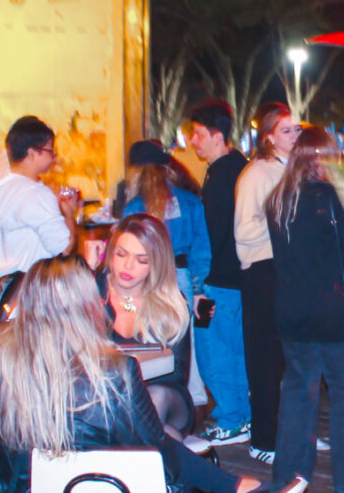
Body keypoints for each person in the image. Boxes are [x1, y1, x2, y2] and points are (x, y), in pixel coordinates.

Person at [0, 255, 303, 493]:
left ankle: (240, 488)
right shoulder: (115, 371)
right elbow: (156, 451)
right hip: (104, 484)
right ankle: (241, 488)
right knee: (163, 443)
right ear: (88, 304)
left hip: (26, 485)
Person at [266, 127, 344, 492]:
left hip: (291, 310)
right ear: (319, 158)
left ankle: (288, 478)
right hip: (330, 312)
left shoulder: (278, 198)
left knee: (298, 396)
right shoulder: (325, 195)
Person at [123, 140, 212, 421]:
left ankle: (155, 397)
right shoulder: (190, 201)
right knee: (189, 338)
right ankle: (196, 400)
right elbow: (202, 249)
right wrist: (198, 288)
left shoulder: (136, 206)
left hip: (149, 275)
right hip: (183, 275)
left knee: (150, 336)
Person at [233, 102, 301, 464]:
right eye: (286, 130)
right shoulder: (257, 173)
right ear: (269, 137)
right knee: (265, 360)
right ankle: (263, 440)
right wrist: (286, 219)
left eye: (297, 129)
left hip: (291, 271)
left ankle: (295, 433)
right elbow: (244, 232)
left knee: (296, 357)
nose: (294, 136)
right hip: (263, 271)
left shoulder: (294, 168)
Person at [97, 214, 198, 442]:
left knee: (155, 399)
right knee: (166, 435)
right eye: (121, 254)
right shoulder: (93, 292)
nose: (128, 266)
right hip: (105, 398)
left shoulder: (171, 304)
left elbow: (177, 375)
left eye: (142, 260)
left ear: (156, 264)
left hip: (164, 396)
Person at [188, 100, 253, 447]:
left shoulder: (219, 178)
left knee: (213, 352)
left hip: (215, 283)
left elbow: (209, 237)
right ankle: (241, 414)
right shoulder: (243, 168)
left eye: (198, 134)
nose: (192, 142)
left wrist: (198, 285)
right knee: (237, 351)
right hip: (241, 280)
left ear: (217, 136)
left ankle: (231, 419)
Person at [0, 116, 77, 289]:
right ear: (32, 153)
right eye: (50, 151)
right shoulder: (36, 194)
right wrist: (69, 214)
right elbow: (63, 249)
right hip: (28, 293)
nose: (54, 158)